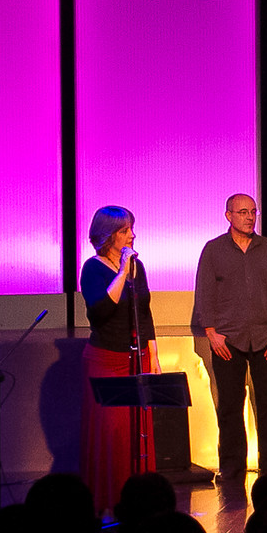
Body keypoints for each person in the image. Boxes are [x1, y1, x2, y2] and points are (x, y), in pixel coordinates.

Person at [193, 193, 267, 485]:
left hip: (265, 337)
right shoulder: (214, 250)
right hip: (228, 339)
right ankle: (232, 468)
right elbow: (204, 294)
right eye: (243, 212)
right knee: (231, 406)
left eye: (253, 212)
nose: (250, 217)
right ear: (229, 216)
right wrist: (211, 333)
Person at [79, 205, 160, 514]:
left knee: (138, 431)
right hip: (105, 361)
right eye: (126, 230)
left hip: (136, 359)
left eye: (131, 229)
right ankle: (109, 504)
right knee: (112, 435)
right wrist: (123, 270)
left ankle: (139, 503)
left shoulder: (138, 268)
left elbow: (145, 313)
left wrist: (152, 356)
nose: (132, 235)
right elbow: (100, 311)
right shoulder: (93, 268)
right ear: (108, 235)